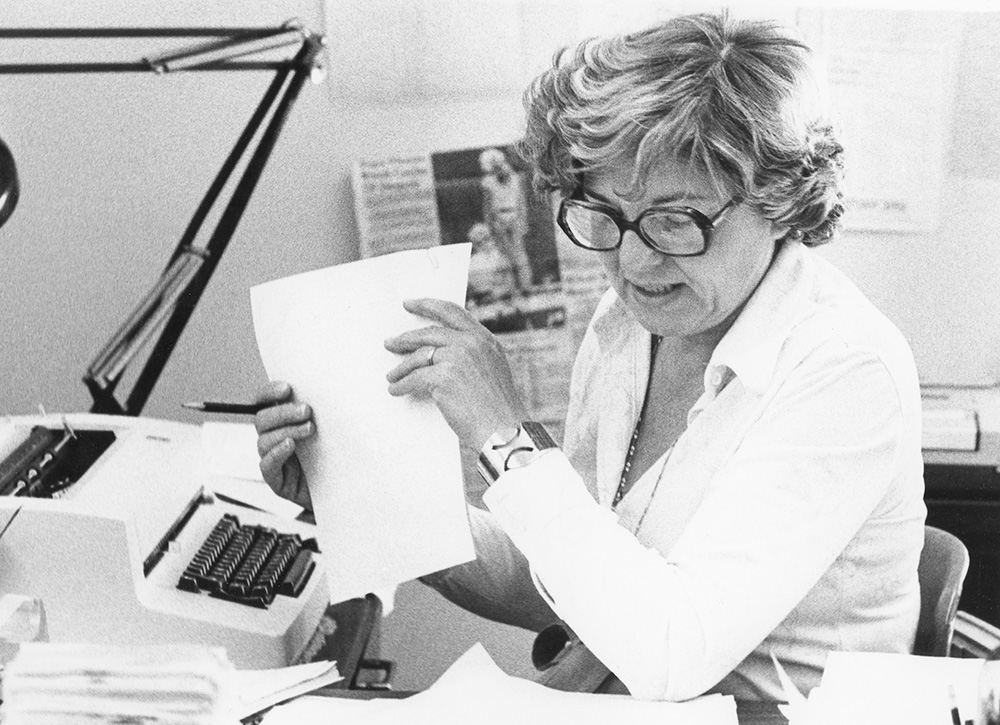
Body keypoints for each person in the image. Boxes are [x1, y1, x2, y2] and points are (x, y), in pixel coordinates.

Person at [254, 11, 925, 702]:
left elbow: (670, 651)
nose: (633, 260)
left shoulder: (845, 368)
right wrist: (363, 498)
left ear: (781, 201)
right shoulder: (633, 322)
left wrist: (503, 435)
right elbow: (565, 581)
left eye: (676, 220)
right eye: (603, 212)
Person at [478, 147, 534, 294]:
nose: (498, 168)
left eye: (500, 164)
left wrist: (523, 221)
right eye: (494, 167)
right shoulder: (488, 183)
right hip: (498, 220)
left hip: (514, 216)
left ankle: (526, 287)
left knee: (520, 254)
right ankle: (511, 289)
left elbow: (522, 202)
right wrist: (490, 226)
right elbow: (487, 207)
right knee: (504, 255)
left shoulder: (516, 179)